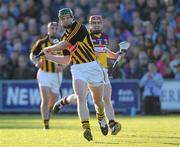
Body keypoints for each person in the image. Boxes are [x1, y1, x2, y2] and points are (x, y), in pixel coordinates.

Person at [42, 8, 122, 141]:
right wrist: (48, 57)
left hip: (93, 66)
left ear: (72, 18)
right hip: (77, 68)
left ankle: (101, 116)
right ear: (61, 21)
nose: (66, 20)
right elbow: (66, 60)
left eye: (68, 17)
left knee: (99, 102)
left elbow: (65, 44)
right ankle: (86, 128)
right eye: (63, 18)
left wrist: (48, 49)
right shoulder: (62, 37)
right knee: (80, 97)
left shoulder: (79, 28)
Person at [29, 22, 63, 130]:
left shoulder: (64, 42)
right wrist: (36, 63)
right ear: (48, 30)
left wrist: (63, 67)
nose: (54, 30)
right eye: (51, 28)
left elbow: (70, 57)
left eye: (56, 28)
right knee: (45, 98)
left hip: (57, 75)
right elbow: (32, 55)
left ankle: (48, 114)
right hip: (44, 73)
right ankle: (46, 124)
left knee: (53, 100)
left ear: (59, 29)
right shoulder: (41, 43)